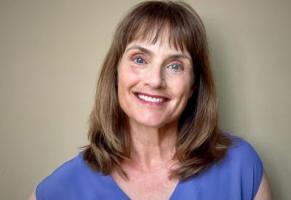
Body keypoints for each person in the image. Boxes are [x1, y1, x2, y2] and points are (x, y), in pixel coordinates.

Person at [30, 1, 272, 199]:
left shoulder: (242, 167)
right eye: (139, 59)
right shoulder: (62, 188)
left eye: (175, 65)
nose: (155, 80)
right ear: (116, 72)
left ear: (193, 85)